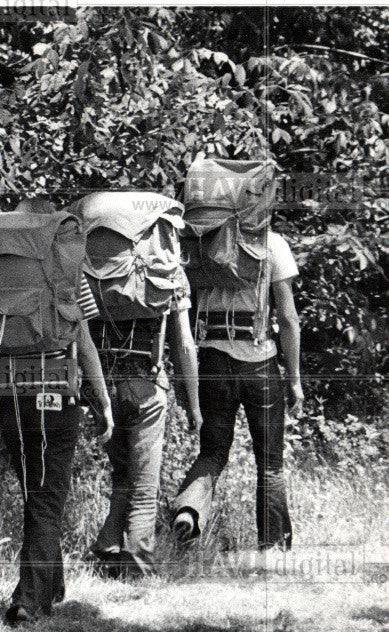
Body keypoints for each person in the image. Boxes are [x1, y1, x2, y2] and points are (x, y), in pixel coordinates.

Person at [0, 198, 114, 627]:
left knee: (34, 491)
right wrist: (102, 396)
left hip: (3, 386)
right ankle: (27, 599)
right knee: (47, 496)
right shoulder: (66, 267)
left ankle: (50, 585)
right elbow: (86, 339)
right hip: (56, 386)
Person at [170, 228, 303, 557]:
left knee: (212, 453)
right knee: (270, 463)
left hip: (212, 358)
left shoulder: (200, 245)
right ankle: (272, 549)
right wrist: (295, 377)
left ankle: (188, 509)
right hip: (259, 360)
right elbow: (287, 317)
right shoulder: (273, 243)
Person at [85, 231, 202, 577]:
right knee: (144, 488)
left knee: (122, 474)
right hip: (145, 387)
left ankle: (107, 550)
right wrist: (193, 404)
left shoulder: (91, 271)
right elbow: (184, 346)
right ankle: (139, 569)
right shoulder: (168, 273)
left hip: (101, 389)